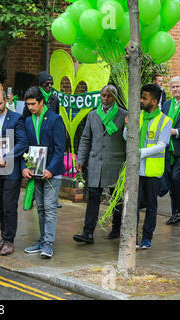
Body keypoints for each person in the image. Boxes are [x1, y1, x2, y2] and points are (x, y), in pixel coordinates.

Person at [73, 85, 127, 244]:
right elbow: (85, 139)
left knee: (117, 198)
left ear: (114, 98)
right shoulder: (92, 115)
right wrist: (80, 159)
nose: (105, 99)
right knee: (93, 197)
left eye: (109, 96)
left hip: (115, 163)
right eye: (103, 96)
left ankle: (116, 228)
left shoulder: (124, 115)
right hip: (95, 162)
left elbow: (128, 140)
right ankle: (87, 232)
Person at [126, 84, 172, 249]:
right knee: (134, 206)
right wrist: (127, 126)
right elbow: (127, 138)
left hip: (152, 171)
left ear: (153, 101)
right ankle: (133, 237)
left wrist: (139, 152)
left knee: (151, 207)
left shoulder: (165, 121)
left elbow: (161, 146)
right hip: (135, 170)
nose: (141, 101)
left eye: (144, 98)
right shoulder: (137, 116)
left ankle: (147, 237)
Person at [22, 86, 65, 259]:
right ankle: (41, 240)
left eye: (33, 104)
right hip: (36, 171)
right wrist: (25, 167)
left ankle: (48, 243)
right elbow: (26, 147)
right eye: (27, 105)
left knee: (49, 207)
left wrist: (51, 169)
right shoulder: (27, 121)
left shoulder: (55, 119)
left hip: (52, 172)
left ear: (41, 102)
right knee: (40, 207)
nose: (30, 108)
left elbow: (59, 149)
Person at [0, 90, 28, 256]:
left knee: (9, 205)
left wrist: (7, 156)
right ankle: (3, 237)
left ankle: (10, 240)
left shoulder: (16, 118)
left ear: (6, 101)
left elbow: (23, 142)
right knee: (0, 206)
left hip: (10, 170)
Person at [162, 76, 180, 225]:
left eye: (177, 86)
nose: (175, 89)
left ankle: (177, 212)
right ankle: (177, 209)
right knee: (171, 181)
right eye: (173, 87)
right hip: (167, 149)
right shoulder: (166, 104)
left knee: (176, 178)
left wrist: (176, 131)